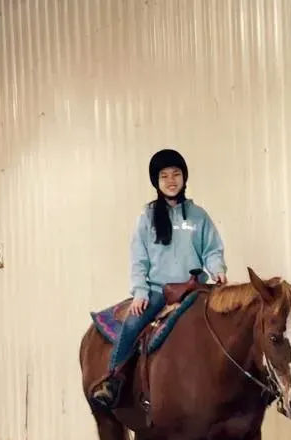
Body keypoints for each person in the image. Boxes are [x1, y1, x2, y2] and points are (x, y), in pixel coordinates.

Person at [91, 148, 228, 409]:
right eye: (164, 176)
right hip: (158, 290)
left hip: (194, 288)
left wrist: (217, 268)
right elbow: (139, 257)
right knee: (132, 325)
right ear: (156, 182)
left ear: (184, 178)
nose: (171, 180)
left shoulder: (198, 215)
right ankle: (113, 380)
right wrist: (140, 291)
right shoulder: (147, 216)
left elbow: (211, 249)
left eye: (176, 174)